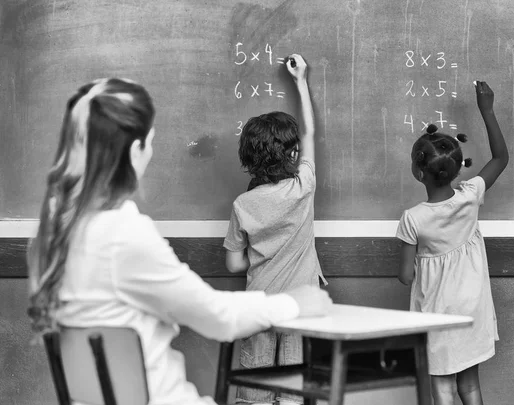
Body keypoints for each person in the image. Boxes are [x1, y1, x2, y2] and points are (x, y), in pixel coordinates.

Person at [26, 77, 332, 405]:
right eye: (150, 142)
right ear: (134, 151)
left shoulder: (49, 238)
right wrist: (295, 303)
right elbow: (217, 317)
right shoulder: (126, 234)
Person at [396, 81, 509, 405]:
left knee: (442, 386)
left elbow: (406, 276)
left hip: (437, 313)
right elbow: (500, 158)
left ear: (419, 172)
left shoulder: (413, 218)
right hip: (473, 306)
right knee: (470, 385)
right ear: (459, 168)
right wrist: (486, 109)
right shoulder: (471, 196)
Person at [224, 54, 326, 405]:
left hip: (260, 310)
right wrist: (301, 80)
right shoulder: (303, 187)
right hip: (302, 308)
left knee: (255, 394)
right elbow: (310, 132)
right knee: (296, 394)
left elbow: (235, 265)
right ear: (294, 153)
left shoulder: (242, 205)